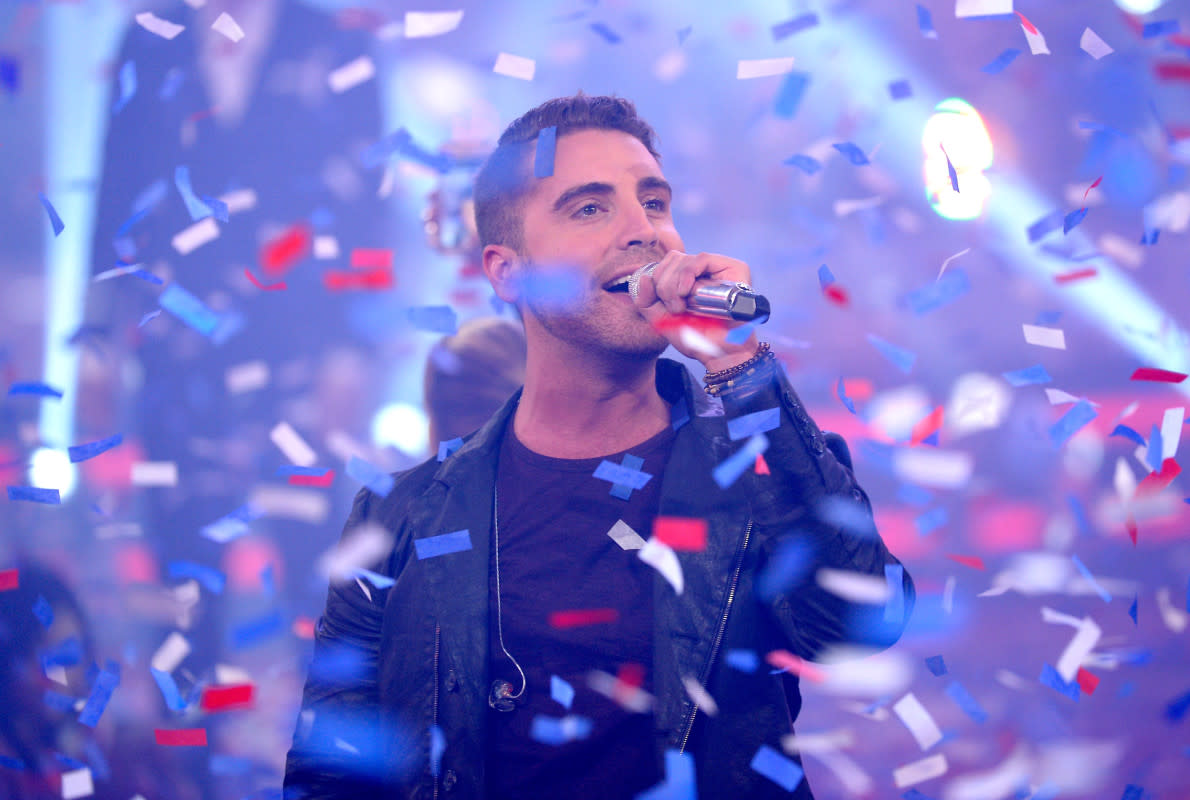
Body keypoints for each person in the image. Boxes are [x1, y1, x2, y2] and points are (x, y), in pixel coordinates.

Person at [284, 94, 914, 799]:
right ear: (507, 271)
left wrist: (737, 367)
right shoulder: (396, 520)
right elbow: (331, 776)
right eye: (590, 208)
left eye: (654, 202)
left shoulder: (758, 469)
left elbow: (860, 627)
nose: (642, 231)